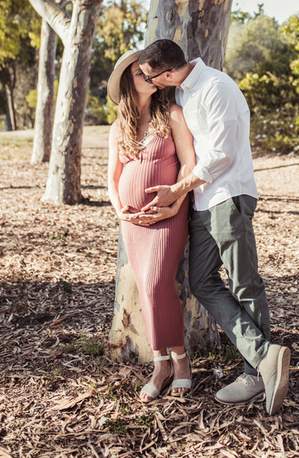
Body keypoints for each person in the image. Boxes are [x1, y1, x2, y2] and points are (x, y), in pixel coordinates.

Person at [137, 39, 291, 416]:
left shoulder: (216, 87)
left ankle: (255, 371)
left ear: (168, 73)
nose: (151, 84)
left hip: (228, 197)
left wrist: (176, 189)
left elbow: (222, 155)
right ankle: (264, 353)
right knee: (202, 280)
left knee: (245, 284)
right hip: (204, 202)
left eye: (152, 78)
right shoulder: (187, 93)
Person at [107, 49, 196, 403]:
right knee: (146, 287)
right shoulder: (119, 127)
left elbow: (189, 163)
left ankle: (181, 362)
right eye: (138, 71)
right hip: (133, 222)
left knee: (158, 281)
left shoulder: (172, 114)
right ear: (128, 79)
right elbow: (112, 179)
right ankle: (161, 364)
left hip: (168, 216)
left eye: (150, 71)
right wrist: (121, 212)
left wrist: (174, 201)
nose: (146, 75)